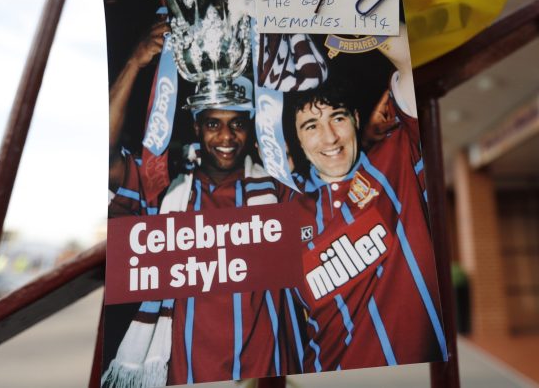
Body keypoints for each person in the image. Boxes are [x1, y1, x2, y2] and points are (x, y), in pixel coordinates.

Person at [102, 24, 297, 386]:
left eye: (237, 123)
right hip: (184, 372)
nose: (226, 137)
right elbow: (103, 154)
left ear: (251, 129)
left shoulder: (278, 190)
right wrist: (133, 63)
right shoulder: (164, 192)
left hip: (264, 374)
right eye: (213, 124)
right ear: (196, 128)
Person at [281, 31, 449, 372]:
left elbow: (410, 60)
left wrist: (353, 12)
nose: (329, 138)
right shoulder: (282, 210)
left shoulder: (397, 158)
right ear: (296, 141)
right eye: (311, 125)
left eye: (338, 118)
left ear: (356, 119)